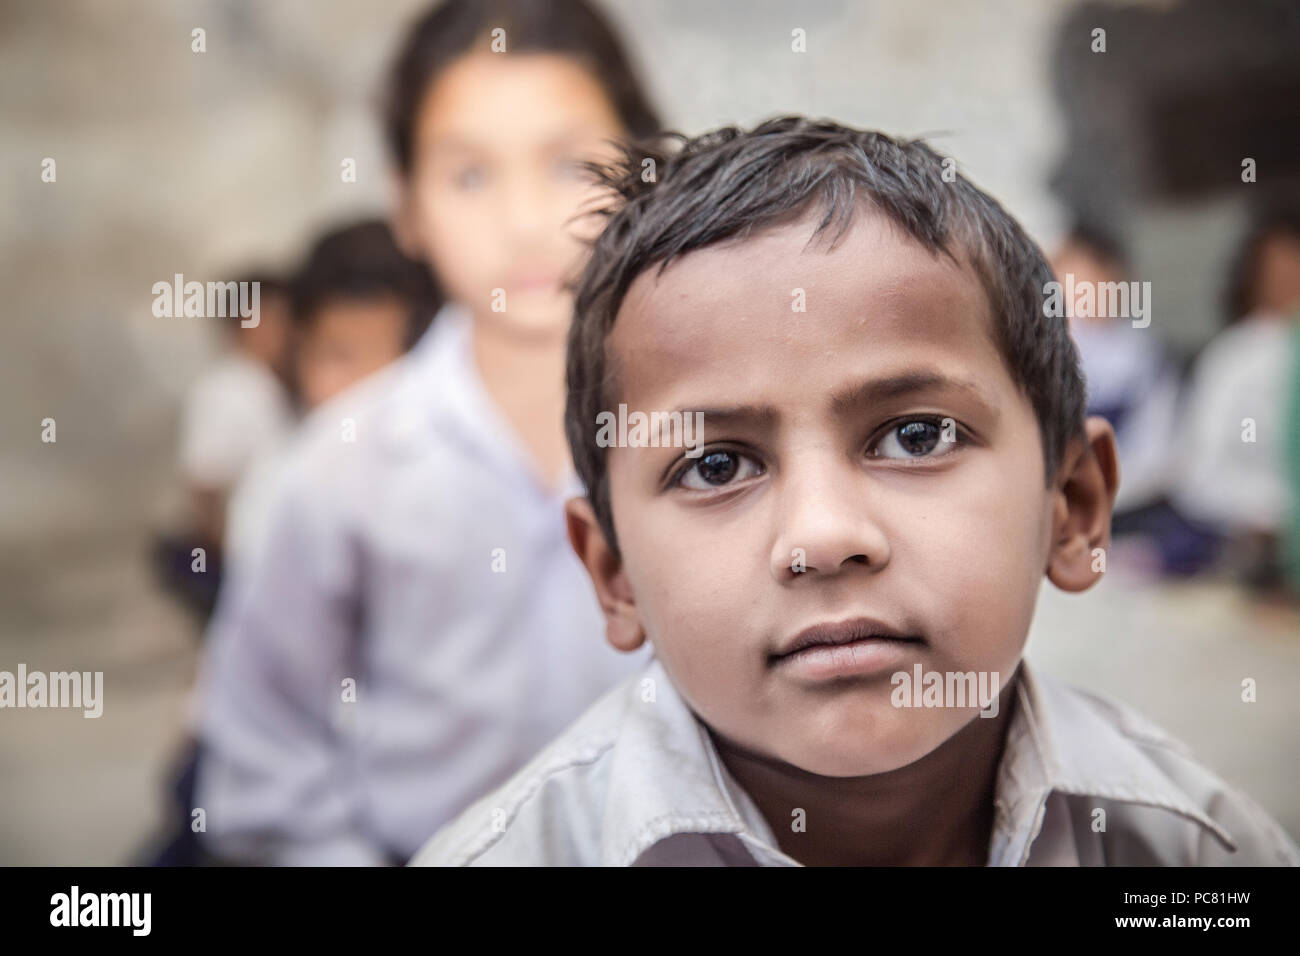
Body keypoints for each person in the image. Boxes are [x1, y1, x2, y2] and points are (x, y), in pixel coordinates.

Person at [412, 119, 1300, 866]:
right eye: (716, 466)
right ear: (614, 575)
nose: (824, 536)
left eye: (917, 436)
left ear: (1070, 508)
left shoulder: (1192, 859)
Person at [190, 0, 660, 865]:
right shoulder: (340, 465)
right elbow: (262, 766)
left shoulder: (708, 443)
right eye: (471, 175)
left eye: (569, 164)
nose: (523, 221)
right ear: (406, 205)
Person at [223, 219, 437, 576]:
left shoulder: (465, 482)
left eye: (396, 365)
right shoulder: (279, 496)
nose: (366, 392)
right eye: (338, 356)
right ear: (297, 353)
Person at [1171, 203, 1300, 594]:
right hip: (1248, 557)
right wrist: (1273, 517)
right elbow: (1198, 474)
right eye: (1279, 267)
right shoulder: (1232, 358)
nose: (1290, 278)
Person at [157, 272, 294, 620]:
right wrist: (238, 562)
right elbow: (204, 485)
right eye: (277, 317)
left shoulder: (269, 385)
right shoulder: (229, 390)